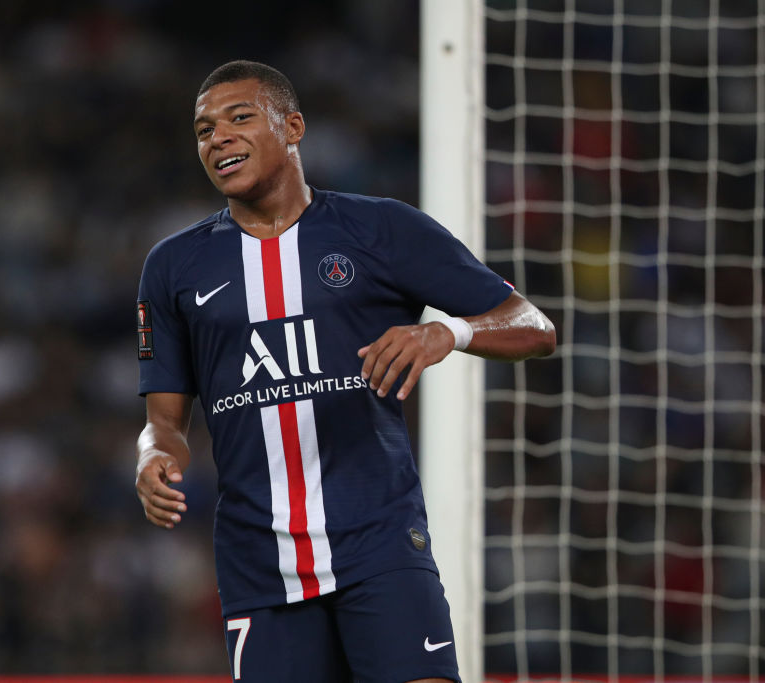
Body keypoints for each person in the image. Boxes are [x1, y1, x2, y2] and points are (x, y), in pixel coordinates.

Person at [134, 60, 555, 683]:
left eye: (239, 118)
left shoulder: (380, 229)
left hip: (380, 545)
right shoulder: (173, 267)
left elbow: (534, 326)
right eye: (203, 130)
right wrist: (152, 456)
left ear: (293, 127)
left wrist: (448, 332)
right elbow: (163, 422)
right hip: (259, 564)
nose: (218, 138)